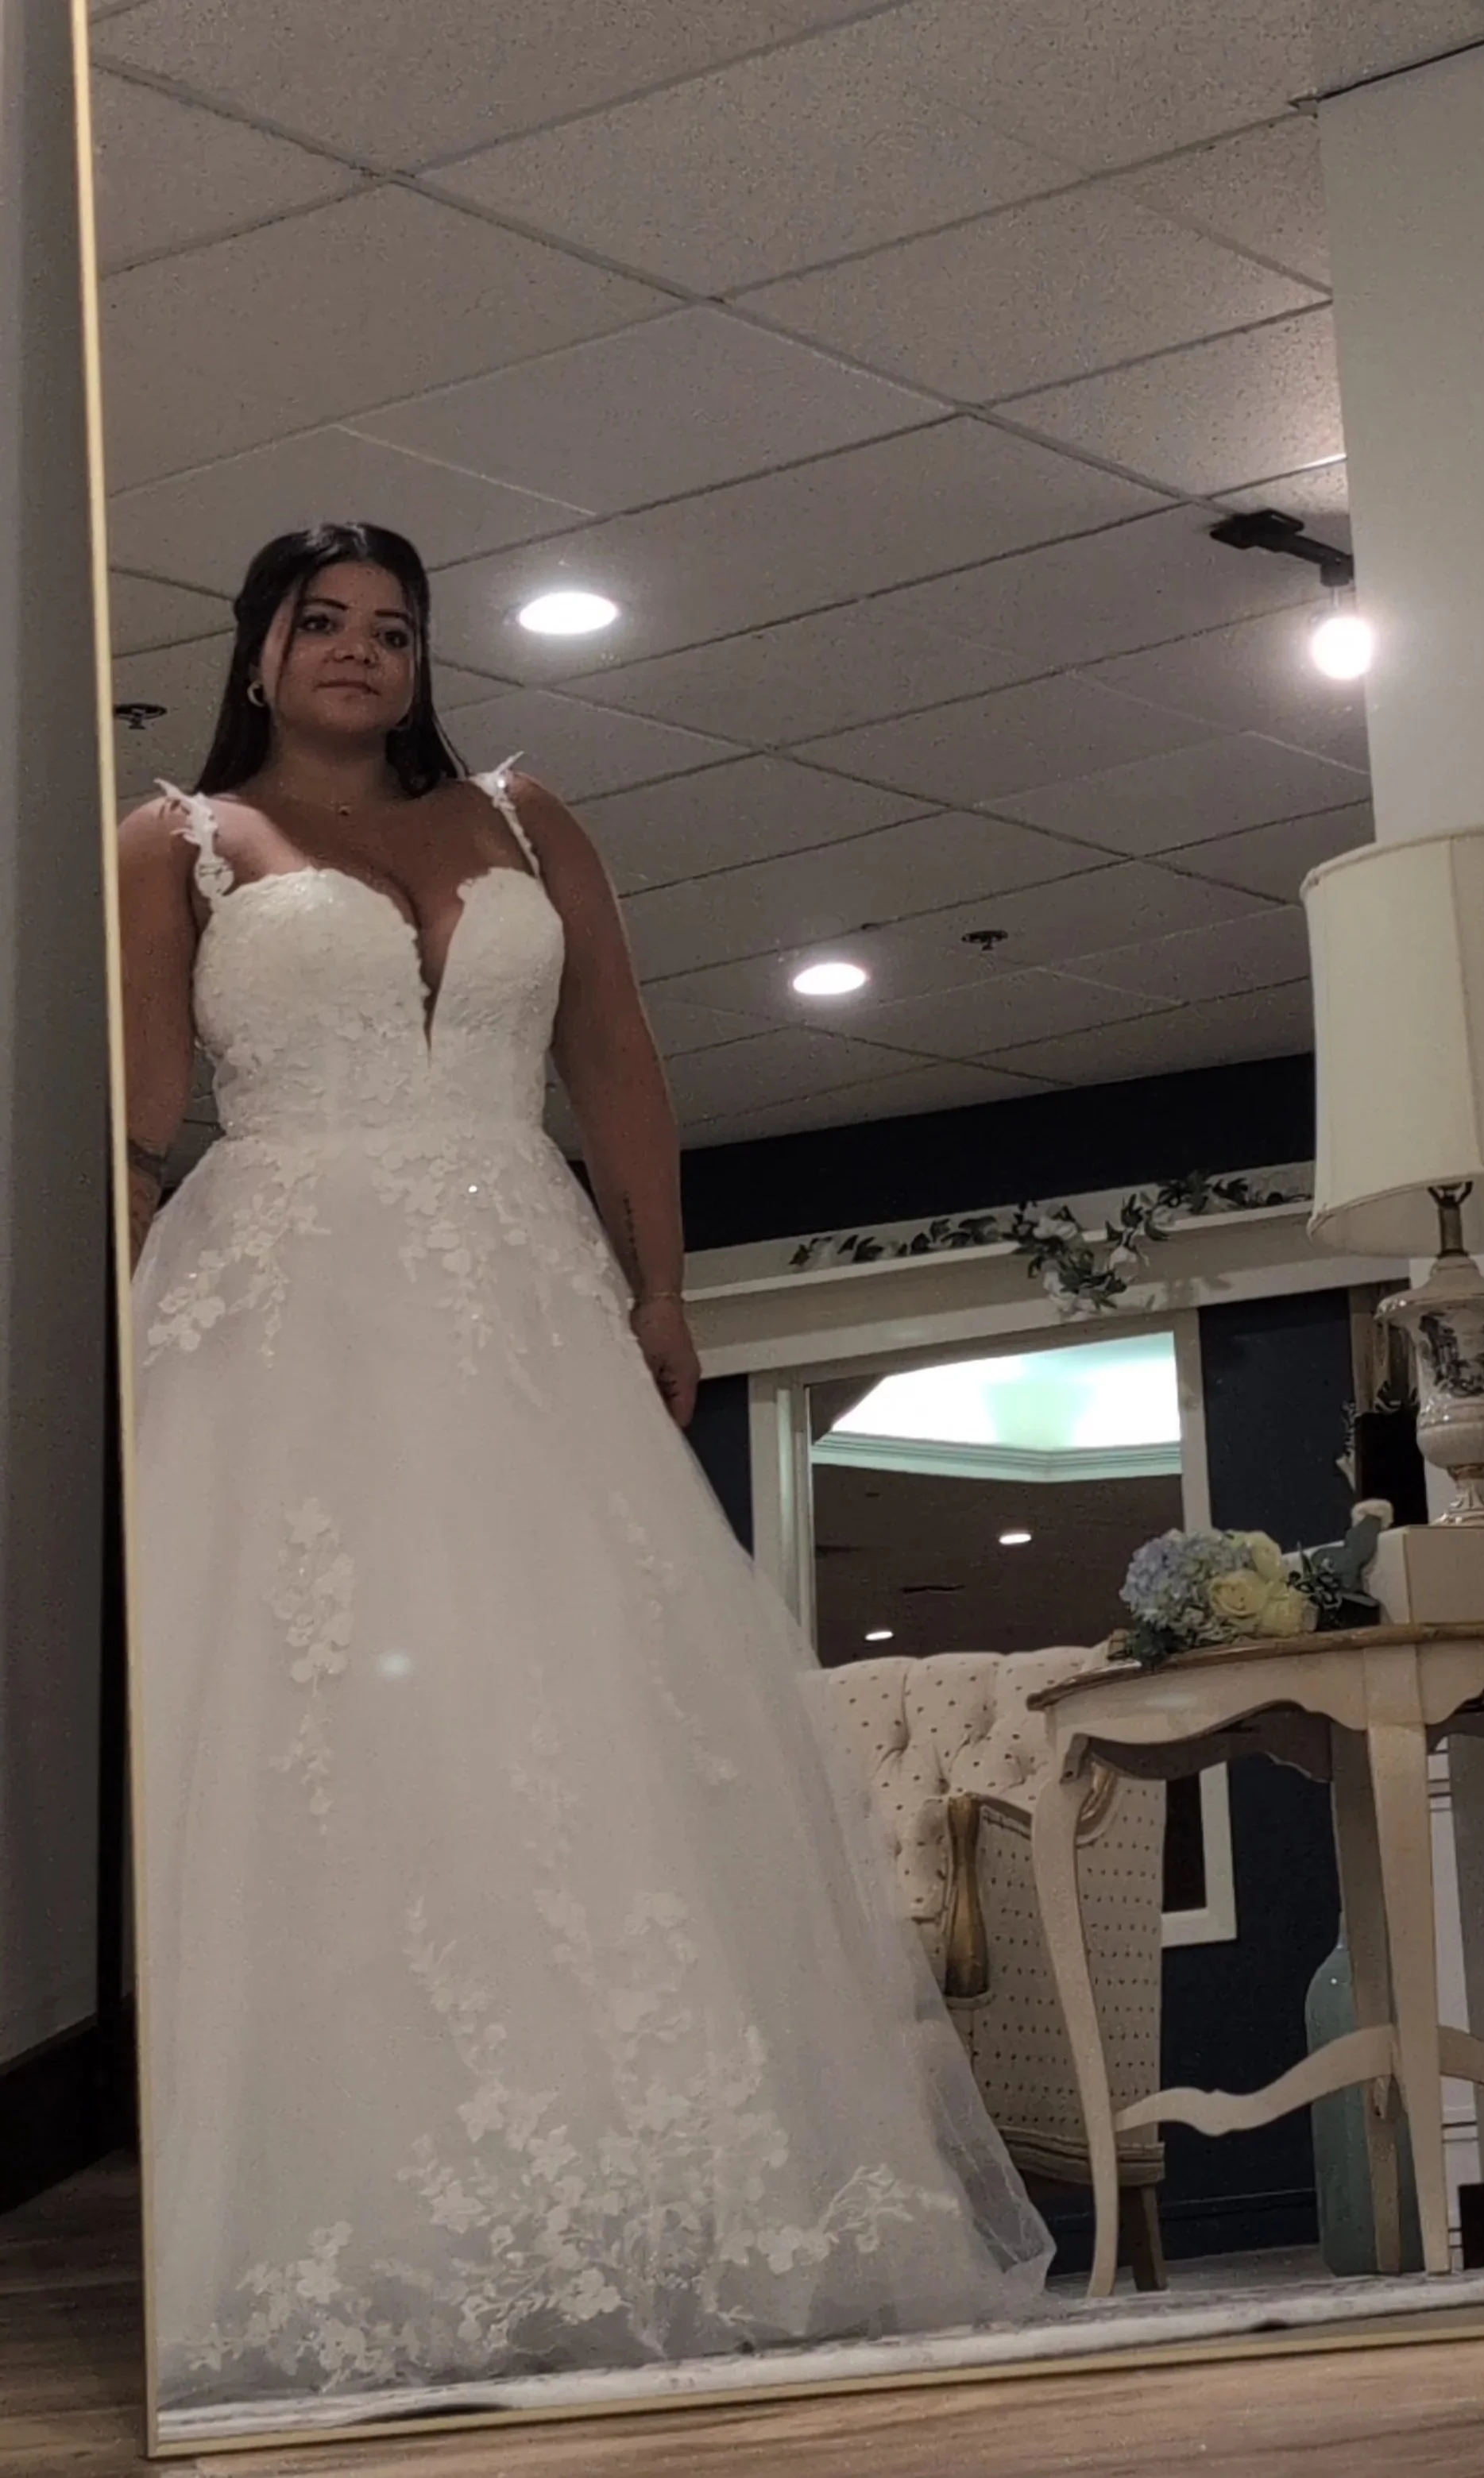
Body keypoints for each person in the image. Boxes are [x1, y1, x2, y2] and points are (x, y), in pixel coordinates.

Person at [119, 522, 1053, 2417]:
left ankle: (667, 2201)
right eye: (324, 622)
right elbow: (134, 1122)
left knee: (589, 1707)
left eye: (395, 628)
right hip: (286, 1308)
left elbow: (616, 1051)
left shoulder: (526, 820)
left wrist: (662, 1284)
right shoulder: (175, 844)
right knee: (334, 1736)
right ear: (258, 650)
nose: (362, 652)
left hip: (524, 1295)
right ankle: (377, 2212)